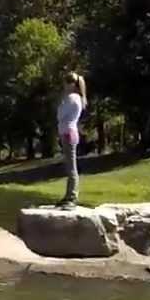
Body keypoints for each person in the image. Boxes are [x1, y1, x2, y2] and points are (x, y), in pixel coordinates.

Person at [56, 71, 87, 208]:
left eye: (65, 83)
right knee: (70, 166)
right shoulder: (77, 97)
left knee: (71, 167)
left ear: (71, 84)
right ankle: (69, 195)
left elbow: (60, 115)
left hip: (68, 133)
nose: (64, 86)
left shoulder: (71, 98)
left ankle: (72, 197)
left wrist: (62, 102)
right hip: (70, 132)